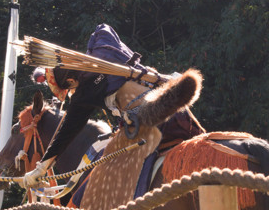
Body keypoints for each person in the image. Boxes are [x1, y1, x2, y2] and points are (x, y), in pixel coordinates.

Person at [23, 24, 203, 187]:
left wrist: (41, 168)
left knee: (101, 179)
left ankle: (157, 105)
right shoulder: (101, 51)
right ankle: (164, 99)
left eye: (68, 89)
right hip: (181, 116)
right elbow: (102, 29)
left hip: (146, 128)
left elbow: (66, 132)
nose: (71, 93)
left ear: (70, 80)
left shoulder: (83, 93)